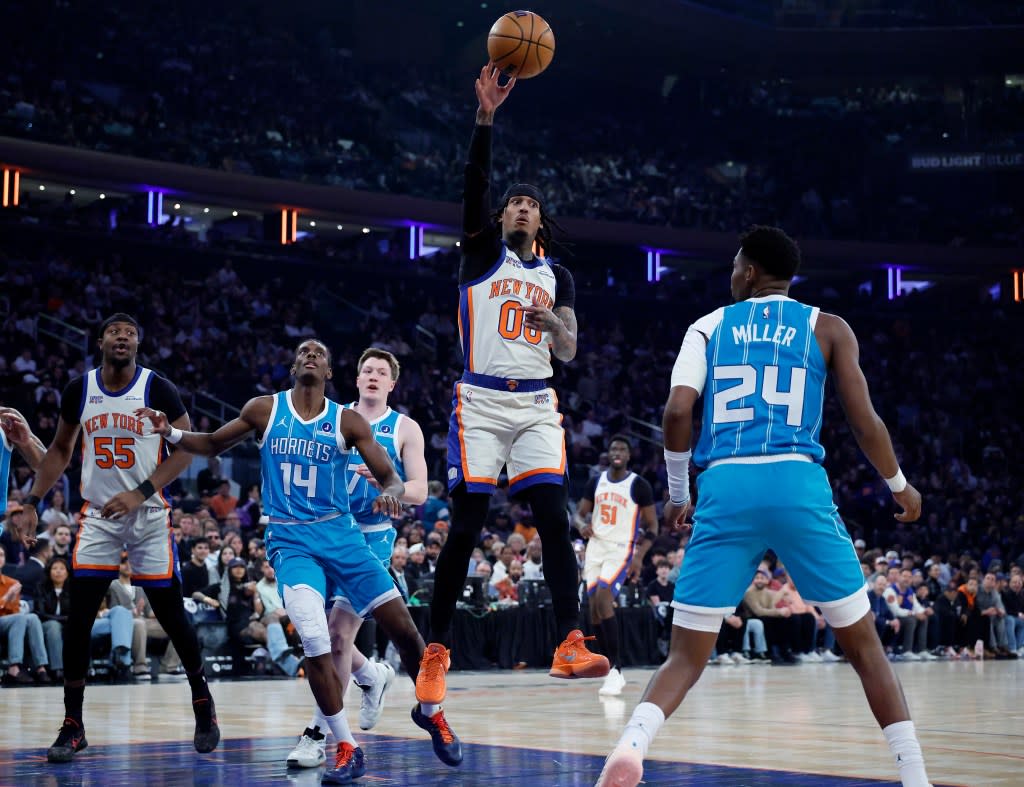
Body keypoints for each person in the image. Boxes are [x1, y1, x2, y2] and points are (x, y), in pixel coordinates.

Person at [597, 227, 930, 787]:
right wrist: (899, 484)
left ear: (749, 272)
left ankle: (630, 746)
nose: (730, 275)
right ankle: (915, 774)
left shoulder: (707, 326)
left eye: (734, 266)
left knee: (685, 654)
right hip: (797, 482)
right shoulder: (828, 327)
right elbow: (864, 421)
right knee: (865, 646)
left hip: (726, 485)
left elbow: (678, 412)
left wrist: (680, 493)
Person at [136, 339, 461, 783]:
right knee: (317, 637)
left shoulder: (347, 421)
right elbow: (211, 444)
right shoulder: (264, 409)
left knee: (404, 630)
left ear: (329, 372)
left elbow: (391, 477)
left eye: (320, 353)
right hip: (292, 541)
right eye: (303, 351)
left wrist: (390, 491)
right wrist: (169, 432)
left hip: (345, 536)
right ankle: (345, 743)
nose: (311, 354)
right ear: (293, 366)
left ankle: (431, 712)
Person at [421, 64, 608, 707]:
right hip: (479, 398)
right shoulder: (480, 254)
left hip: (535, 402)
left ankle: (569, 640)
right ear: (502, 218)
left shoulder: (559, 277)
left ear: (540, 222)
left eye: (530, 204)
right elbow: (474, 187)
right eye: (513, 204)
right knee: (467, 525)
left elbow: (571, 349)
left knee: (555, 520)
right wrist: (485, 117)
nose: (521, 208)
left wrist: (554, 321)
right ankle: (436, 649)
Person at [11, 314, 219, 762]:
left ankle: (203, 703)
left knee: (170, 612)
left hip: (148, 513)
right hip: (99, 516)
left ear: (138, 345)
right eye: (114, 333)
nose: (122, 338)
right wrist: (31, 499)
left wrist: (140, 491)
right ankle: (73, 724)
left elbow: (187, 446)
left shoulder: (158, 388)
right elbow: (61, 451)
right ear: (101, 341)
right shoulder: (78, 389)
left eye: (130, 333)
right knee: (79, 617)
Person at [288, 346, 429, 769]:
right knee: (317, 636)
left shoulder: (405, 428)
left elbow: (420, 491)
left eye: (380, 372)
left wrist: (392, 485)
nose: (371, 376)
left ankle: (317, 734)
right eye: (365, 369)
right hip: (323, 531)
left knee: (335, 638)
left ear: (391, 383)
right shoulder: (333, 417)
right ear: (355, 378)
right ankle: (371, 675)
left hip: (370, 539)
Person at [575, 434, 657, 696]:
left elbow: (653, 526)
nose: (617, 452)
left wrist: (639, 556)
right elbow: (578, 514)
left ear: (629, 455)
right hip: (595, 548)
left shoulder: (638, 485)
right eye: (613, 448)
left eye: (622, 448)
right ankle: (609, 668)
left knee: (602, 599)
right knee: (594, 611)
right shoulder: (595, 482)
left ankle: (616, 670)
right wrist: (581, 525)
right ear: (608, 454)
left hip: (620, 549)